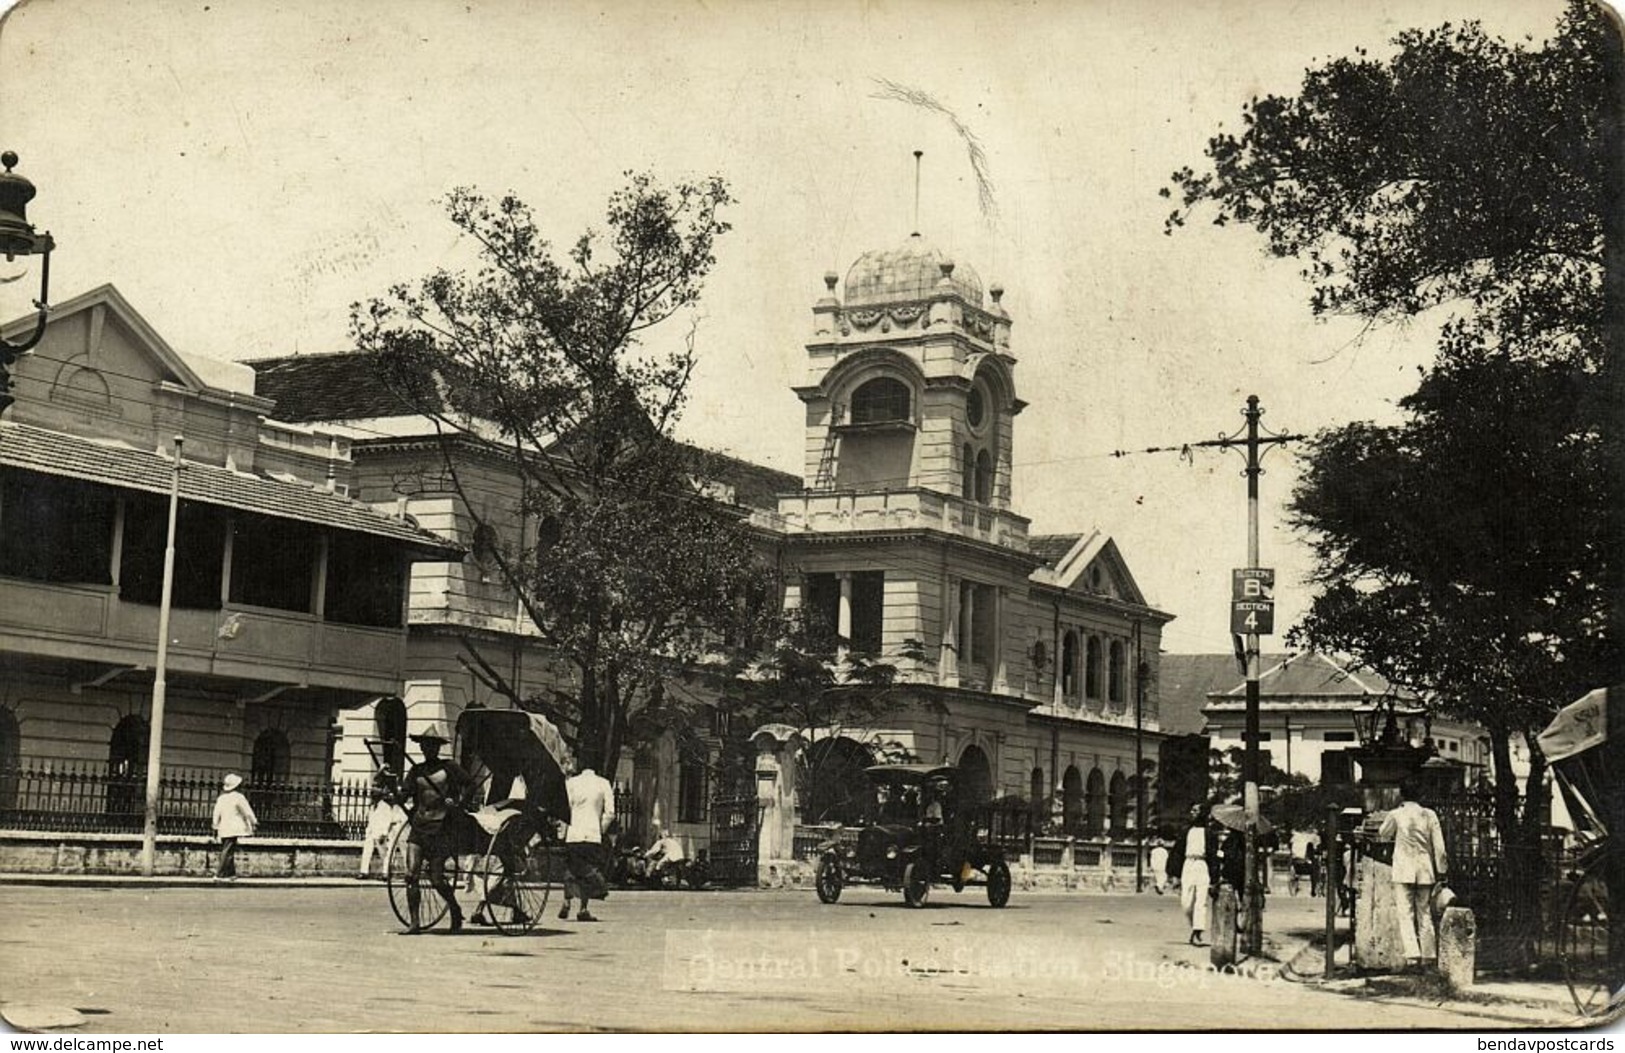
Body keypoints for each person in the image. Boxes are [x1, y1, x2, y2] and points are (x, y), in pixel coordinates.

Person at [397, 724, 476, 933]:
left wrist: (458, 803)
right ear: (421, 748)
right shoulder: (416, 770)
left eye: (432, 746)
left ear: (438, 748)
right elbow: (403, 796)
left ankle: (455, 909)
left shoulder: (449, 767)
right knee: (411, 875)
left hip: (443, 828)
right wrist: (388, 787)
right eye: (425, 746)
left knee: (436, 878)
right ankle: (414, 923)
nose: (428, 749)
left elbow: (470, 784)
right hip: (419, 826)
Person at [1378, 779, 1449, 971]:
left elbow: (1383, 833)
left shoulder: (1396, 814)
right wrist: (1441, 871)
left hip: (1403, 869)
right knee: (1424, 911)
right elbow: (1440, 848)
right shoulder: (1429, 815)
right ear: (1420, 795)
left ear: (1402, 794)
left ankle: (1412, 955)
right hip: (1425, 870)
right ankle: (1428, 955)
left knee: (1405, 913)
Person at [558, 760, 615, 922]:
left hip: (573, 832)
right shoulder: (603, 783)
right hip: (592, 834)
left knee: (571, 867)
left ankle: (566, 901)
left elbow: (564, 808)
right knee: (588, 870)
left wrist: (562, 832)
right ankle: (583, 909)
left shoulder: (571, 783)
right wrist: (600, 829)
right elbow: (610, 813)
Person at [357, 768, 406, 880]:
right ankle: (364, 871)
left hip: (394, 823)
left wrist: (384, 833)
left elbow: (390, 813)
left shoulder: (390, 796)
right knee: (370, 848)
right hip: (375, 828)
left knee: (392, 850)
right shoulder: (376, 802)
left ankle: (387, 872)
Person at [211, 773, 257, 882]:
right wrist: (254, 821)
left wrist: (215, 825)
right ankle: (220, 874)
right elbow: (247, 811)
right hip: (233, 828)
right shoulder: (239, 797)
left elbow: (216, 813)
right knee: (227, 851)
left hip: (223, 828)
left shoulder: (222, 798)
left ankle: (231, 873)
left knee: (228, 849)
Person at [1179, 805, 1211, 945]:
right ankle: (1194, 925)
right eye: (1191, 810)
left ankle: (1197, 931)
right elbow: (1178, 851)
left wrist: (1215, 876)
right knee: (1186, 902)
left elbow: (1213, 854)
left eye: (1196, 811)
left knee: (1201, 900)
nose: (1192, 813)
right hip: (1188, 865)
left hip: (1202, 864)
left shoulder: (1209, 833)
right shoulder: (1186, 831)